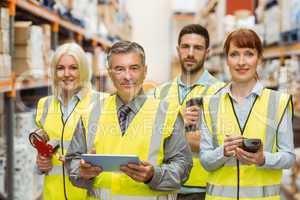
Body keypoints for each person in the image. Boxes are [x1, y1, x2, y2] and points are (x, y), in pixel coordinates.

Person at [66, 41, 193, 200]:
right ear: (109, 73)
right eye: (119, 69)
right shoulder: (90, 113)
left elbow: (183, 168)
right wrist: (81, 172)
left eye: (134, 68)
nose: (127, 76)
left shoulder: (167, 113)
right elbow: (72, 162)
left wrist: (153, 175)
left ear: (144, 71)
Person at [200, 28, 295, 200]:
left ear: (259, 58)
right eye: (234, 54)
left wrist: (262, 159)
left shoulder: (278, 102)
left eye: (249, 54)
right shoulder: (210, 103)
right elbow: (205, 161)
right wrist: (223, 151)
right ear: (226, 60)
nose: (241, 62)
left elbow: (288, 157)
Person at [152, 24, 225, 200]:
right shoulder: (160, 92)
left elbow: (220, 145)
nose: (190, 53)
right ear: (178, 50)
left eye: (198, 48)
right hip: (163, 186)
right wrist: (180, 125)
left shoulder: (220, 93)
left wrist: (169, 127)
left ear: (207, 52)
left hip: (201, 189)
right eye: (185, 47)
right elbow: (148, 138)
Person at [35, 42, 107, 200]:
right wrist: (41, 164)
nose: (67, 74)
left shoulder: (104, 103)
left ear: (84, 70)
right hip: (53, 195)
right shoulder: (44, 105)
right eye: (60, 68)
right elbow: (43, 154)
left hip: (88, 195)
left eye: (74, 68)